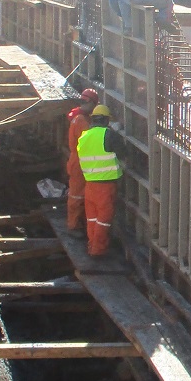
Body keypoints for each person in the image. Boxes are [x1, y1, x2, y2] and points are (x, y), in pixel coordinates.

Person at [77, 103, 124, 256]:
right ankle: (98, 250)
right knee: (104, 219)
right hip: (105, 185)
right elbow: (124, 153)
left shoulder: (84, 136)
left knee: (92, 219)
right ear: (105, 120)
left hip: (90, 185)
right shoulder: (108, 134)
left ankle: (92, 246)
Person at [65, 86, 99, 234]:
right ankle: (74, 225)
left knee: (78, 194)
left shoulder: (78, 117)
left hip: (78, 159)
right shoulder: (81, 121)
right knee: (77, 194)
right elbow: (90, 141)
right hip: (80, 161)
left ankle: (77, 223)